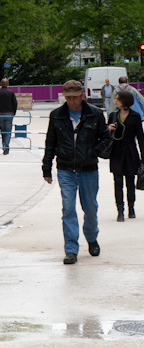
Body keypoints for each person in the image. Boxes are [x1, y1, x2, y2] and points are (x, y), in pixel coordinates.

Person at [42, 80, 111, 265]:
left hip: (88, 169)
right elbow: (50, 143)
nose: (72, 101)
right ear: (65, 97)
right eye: (68, 97)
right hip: (65, 169)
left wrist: (93, 152)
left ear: (82, 95)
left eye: (75, 97)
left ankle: (91, 237)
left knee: (90, 208)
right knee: (68, 208)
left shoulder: (95, 114)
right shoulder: (56, 116)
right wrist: (46, 169)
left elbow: (106, 137)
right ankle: (71, 249)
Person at [107, 89, 144, 222]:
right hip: (116, 153)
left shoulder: (135, 116)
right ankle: (120, 210)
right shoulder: (112, 116)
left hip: (130, 153)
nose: (115, 101)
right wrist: (108, 129)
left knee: (129, 182)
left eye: (117, 99)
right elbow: (104, 136)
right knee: (117, 182)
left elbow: (141, 138)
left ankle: (131, 208)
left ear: (124, 101)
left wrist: (143, 158)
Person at [0, 78, 17, 155]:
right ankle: (6, 146)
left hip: (0, 114)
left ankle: (4, 146)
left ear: (0, 84)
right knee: (8, 131)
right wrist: (13, 113)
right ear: (8, 84)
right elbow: (15, 104)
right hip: (9, 113)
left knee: (2, 131)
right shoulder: (11, 93)